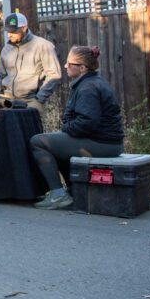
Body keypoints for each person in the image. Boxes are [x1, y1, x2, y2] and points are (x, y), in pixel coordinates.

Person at [29, 46, 123, 210]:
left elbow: (88, 122)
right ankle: (73, 190)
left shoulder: (88, 88)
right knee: (55, 143)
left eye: (69, 63)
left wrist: (67, 128)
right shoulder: (91, 82)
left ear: (82, 68)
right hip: (108, 143)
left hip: (102, 144)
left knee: (37, 142)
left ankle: (58, 195)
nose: (65, 66)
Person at [0, 12, 61, 112]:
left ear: (24, 28)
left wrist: (39, 99)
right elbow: (0, 74)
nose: (9, 35)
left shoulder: (43, 46)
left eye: (14, 31)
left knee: (29, 128)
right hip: (7, 100)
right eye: (8, 31)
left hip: (30, 101)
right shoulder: (6, 49)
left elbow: (54, 74)